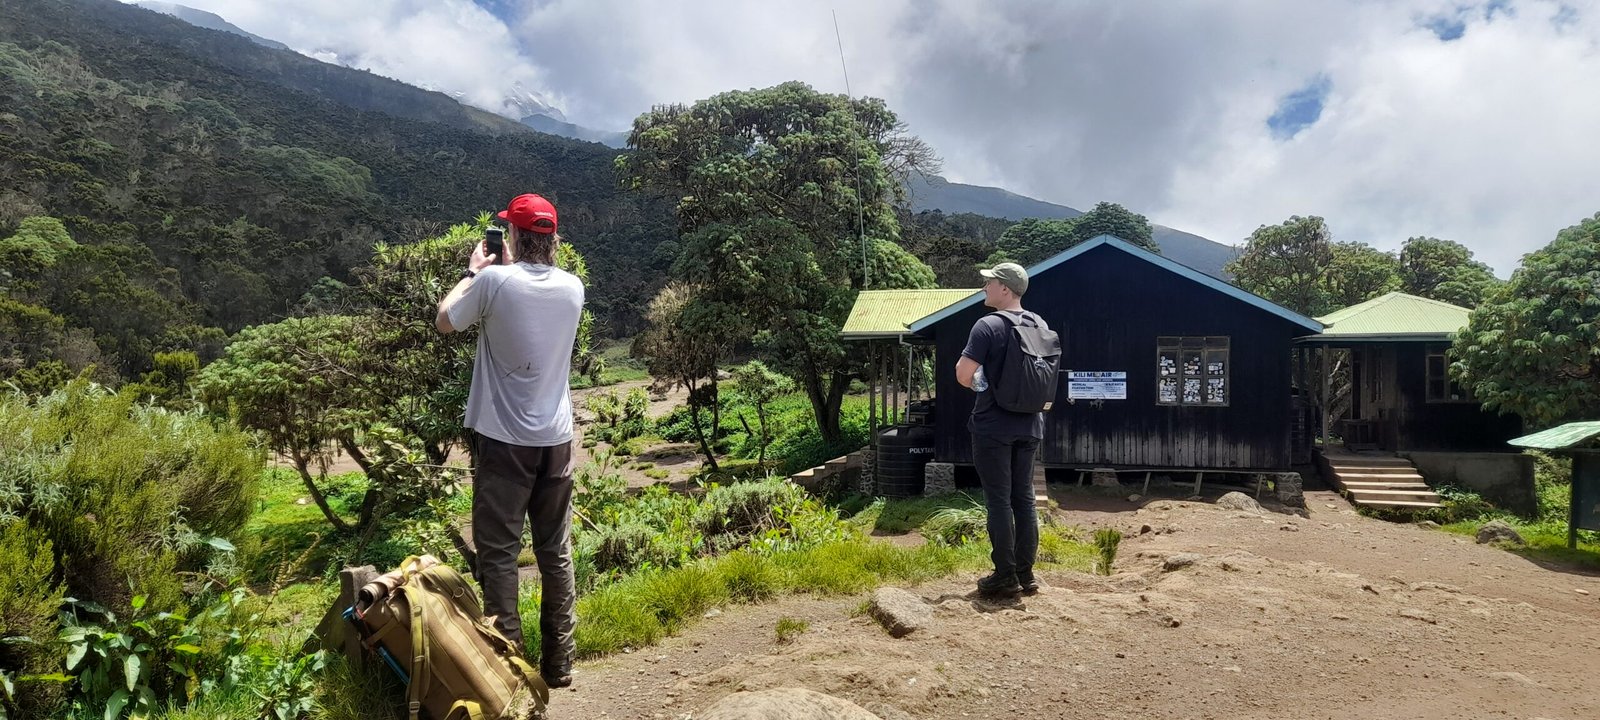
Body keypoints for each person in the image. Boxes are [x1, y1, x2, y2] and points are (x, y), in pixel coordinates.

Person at [435, 192, 583, 687]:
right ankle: (559, 664)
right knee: (554, 550)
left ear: (515, 236)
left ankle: (513, 672)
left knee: (499, 554)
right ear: (555, 239)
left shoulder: (494, 281)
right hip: (557, 438)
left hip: (504, 441)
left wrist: (474, 272)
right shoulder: (573, 287)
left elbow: (445, 320)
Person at [954, 262, 1047, 597]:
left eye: (989, 282)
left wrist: (978, 382)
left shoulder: (988, 325)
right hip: (1031, 424)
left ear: (1005, 289)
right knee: (1025, 499)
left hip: (994, 425)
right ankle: (1027, 575)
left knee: (998, 500)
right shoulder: (1039, 323)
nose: (984, 288)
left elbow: (964, 375)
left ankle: (1004, 575)